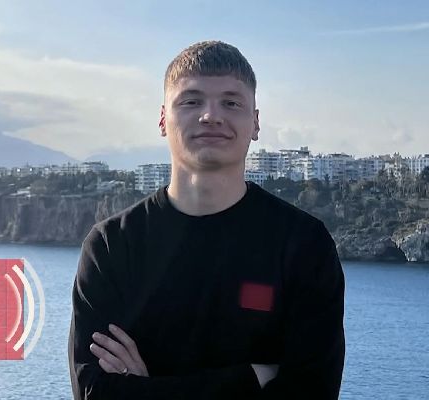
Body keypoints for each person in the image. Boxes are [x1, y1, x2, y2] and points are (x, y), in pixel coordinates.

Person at [68, 40, 345, 399]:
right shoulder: (111, 247)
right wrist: (250, 379)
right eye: (191, 101)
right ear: (163, 119)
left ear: (255, 122)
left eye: (231, 102)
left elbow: (311, 392)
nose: (211, 116)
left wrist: (143, 390)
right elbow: (94, 392)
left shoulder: (304, 245)